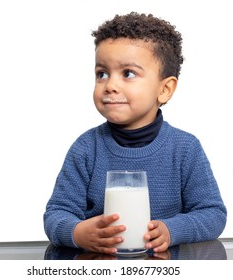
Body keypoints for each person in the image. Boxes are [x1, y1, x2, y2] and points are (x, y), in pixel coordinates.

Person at [43, 12, 227, 255]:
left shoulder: (185, 148)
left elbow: (213, 214)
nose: (110, 85)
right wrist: (77, 233)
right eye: (102, 73)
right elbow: (56, 213)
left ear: (165, 89)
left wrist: (172, 230)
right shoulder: (87, 148)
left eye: (128, 73)